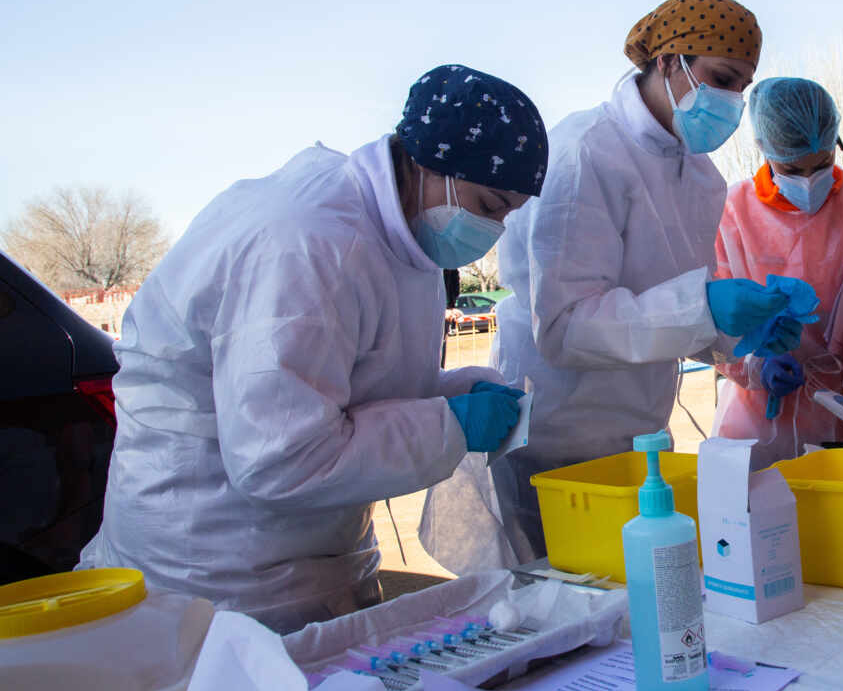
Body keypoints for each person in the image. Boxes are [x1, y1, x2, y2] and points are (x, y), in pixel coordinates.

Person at [78, 65, 548, 633]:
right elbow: (281, 457)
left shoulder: (406, 235)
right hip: (214, 566)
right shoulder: (305, 244)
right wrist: (449, 424)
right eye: (490, 203)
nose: (493, 227)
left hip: (311, 555)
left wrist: (457, 391)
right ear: (430, 163)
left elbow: (350, 389)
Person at [422, 0, 810, 565]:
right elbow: (564, 327)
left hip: (642, 444)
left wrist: (738, 334)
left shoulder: (700, 180)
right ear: (667, 61)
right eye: (721, 79)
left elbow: (665, 316)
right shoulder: (586, 153)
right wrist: (704, 308)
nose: (731, 103)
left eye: (741, 89)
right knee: (572, 620)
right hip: (558, 450)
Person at [712, 77, 843, 468]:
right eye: (792, 168)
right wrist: (756, 363)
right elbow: (713, 324)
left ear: (835, 144)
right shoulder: (732, 212)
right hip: (754, 428)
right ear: (763, 149)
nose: (809, 181)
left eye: (822, 164)